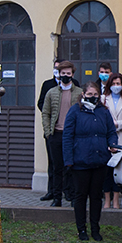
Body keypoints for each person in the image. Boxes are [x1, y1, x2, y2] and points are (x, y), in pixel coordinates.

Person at [64, 82, 118, 241]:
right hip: (80, 162)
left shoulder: (103, 111)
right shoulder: (75, 111)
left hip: (100, 161)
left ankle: (95, 228)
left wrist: (112, 144)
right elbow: (67, 137)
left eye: (95, 95)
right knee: (80, 196)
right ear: (83, 95)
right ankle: (81, 229)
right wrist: (68, 160)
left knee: (96, 196)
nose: (93, 98)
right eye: (90, 95)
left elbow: (111, 132)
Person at [40, 60, 78, 207]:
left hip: (72, 135)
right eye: (63, 74)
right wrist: (48, 132)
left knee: (72, 167)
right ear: (59, 74)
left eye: (68, 74)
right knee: (57, 168)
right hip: (56, 134)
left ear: (72, 74)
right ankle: (57, 198)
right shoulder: (52, 92)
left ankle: (73, 197)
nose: (66, 76)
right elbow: (45, 113)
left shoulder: (79, 93)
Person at [102, 72, 122, 209]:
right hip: (105, 138)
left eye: (118, 84)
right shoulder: (103, 99)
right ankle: (106, 199)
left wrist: (117, 124)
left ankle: (116, 199)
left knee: (119, 171)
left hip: (121, 138)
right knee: (106, 171)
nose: (116, 86)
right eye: (114, 84)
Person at [37, 58, 62, 202]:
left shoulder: (73, 85)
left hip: (66, 131)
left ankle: (68, 192)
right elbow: (41, 104)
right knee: (53, 163)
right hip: (52, 131)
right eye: (56, 68)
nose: (57, 71)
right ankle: (51, 191)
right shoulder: (48, 85)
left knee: (67, 163)